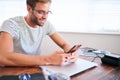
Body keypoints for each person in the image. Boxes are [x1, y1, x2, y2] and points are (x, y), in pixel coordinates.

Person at [0, 0, 79, 67]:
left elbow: (64, 44)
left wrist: (71, 53)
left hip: (35, 69)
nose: (45, 17)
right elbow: (3, 57)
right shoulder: (11, 24)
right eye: (41, 12)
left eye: (47, 12)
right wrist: (49, 59)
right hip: (13, 70)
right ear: (29, 9)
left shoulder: (46, 24)